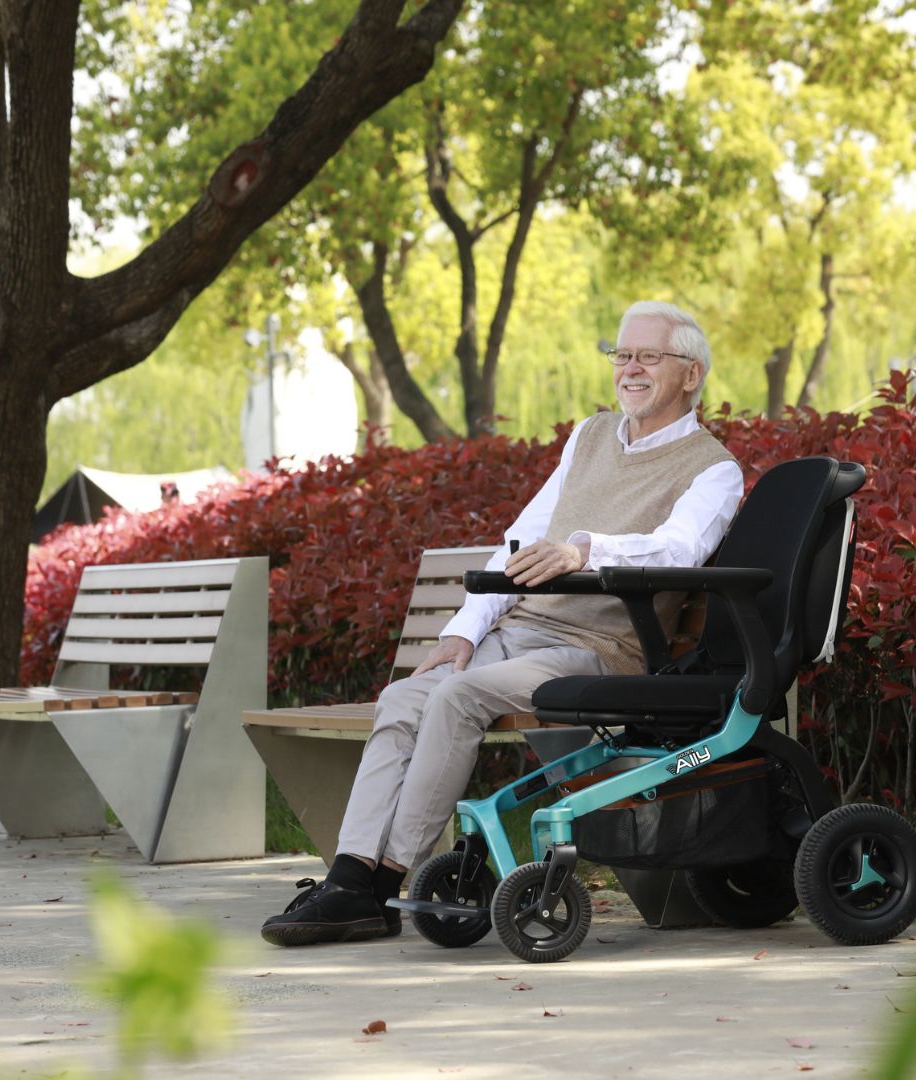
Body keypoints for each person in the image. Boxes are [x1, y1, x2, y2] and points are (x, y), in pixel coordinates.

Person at [261, 300, 744, 947]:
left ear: (691, 372)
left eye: (647, 356)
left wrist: (585, 550)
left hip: (598, 649)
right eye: (622, 354)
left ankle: (382, 888)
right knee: (405, 697)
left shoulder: (713, 467)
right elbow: (521, 537)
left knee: (459, 697)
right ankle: (349, 878)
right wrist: (463, 629)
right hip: (519, 632)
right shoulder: (590, 437)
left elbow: (679, 549)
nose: (629, 368)